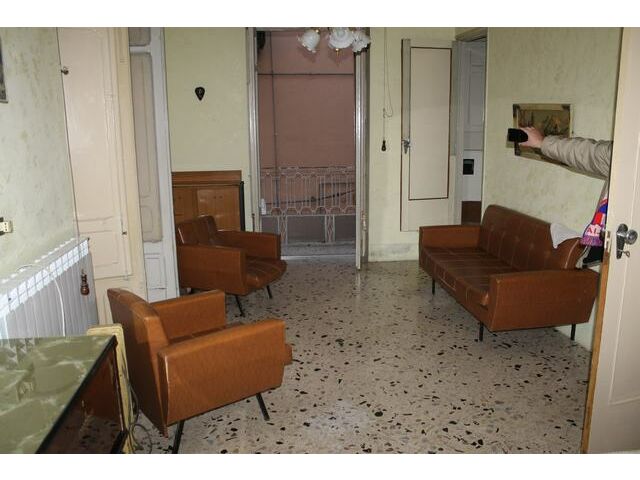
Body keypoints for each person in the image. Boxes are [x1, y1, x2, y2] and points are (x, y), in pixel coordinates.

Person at [518, 126, 613, 266]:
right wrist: (542, 143)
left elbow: (590, 153)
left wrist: (542, 142)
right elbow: (587, 153)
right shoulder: (626, 152)